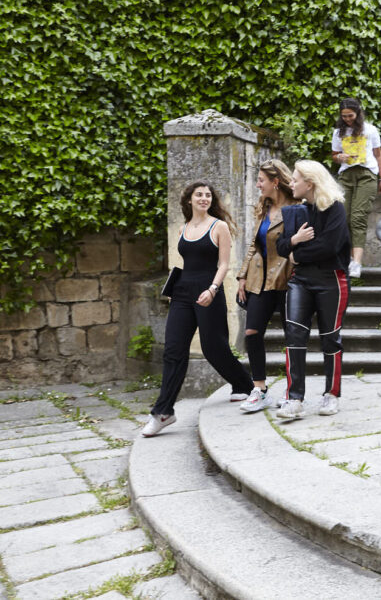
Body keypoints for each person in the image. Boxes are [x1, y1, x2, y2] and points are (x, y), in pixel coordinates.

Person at [143, 182, 254, 437]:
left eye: (207, 195)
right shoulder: (183, 228)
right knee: (173, 350)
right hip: (182, 293)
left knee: (214, 348)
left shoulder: (219, 226)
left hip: (209, 291)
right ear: (189, 200)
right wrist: (175, 293)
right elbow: (184, 263)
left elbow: (224, 264)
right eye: (199, 195)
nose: (204, 198)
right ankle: (164, 412)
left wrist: (213, 289)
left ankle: (244, 384)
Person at [274, 160, 352, 420]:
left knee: (330, 337)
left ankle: (332, 394)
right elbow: (281, 246)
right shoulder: (295, 212)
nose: (291, 183)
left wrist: (297, 254)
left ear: (310, 182)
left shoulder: (335, 209)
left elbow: (330, 246)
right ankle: (294, 399)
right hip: (301, 281)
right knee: (294, 335)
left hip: (332, 279)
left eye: (295, 179)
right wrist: (295, 242)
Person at [235, 159, 298, 413]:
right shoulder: (264, 206)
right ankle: (259, 389)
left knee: (292, 336)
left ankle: (294, 392)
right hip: (259, 280)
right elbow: (254, 244)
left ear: (275, 182)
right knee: (252, 333)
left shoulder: (297, 207)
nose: (258, 185)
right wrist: (242, 275)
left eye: (261, 180)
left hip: (286, 278)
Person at [331, 98, 381, 278]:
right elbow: (334, 155)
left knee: (358, 217)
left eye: (350, 115)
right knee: (343, 218)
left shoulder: (370, 130)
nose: (347, 119)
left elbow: (378, 155)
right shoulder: (339, 132)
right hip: (346, 175)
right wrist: (340, 157)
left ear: (358, 113)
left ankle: (357, 263)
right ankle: (349, 258)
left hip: (367, 174)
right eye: (344, 116)